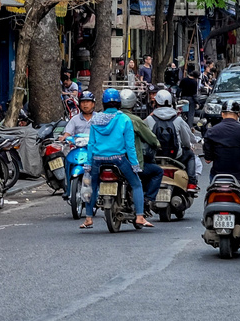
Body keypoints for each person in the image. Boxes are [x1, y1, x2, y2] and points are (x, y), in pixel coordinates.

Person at [80, 88, 152, 229]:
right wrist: (135, 164)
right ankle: (139, 216)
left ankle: (88, 218)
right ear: (119, 103)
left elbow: (91, 144)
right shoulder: (124, 119)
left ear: (103, 103)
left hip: (97, 160)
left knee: (91, 186)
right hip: (118, 160)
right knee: (136, 183)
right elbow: (129, 146)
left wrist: (89, 163)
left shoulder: (95, 119)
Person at [203, 101, 240, 202]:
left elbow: (208, 159)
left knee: (209, 197)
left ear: (222, 114)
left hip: (217, 177)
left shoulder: (211, 131)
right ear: (239, 114)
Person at [145, 88, 199, 188]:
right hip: (176, 156)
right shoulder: (178, 119)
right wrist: (188, 146)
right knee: (190, 155)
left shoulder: (149, 119)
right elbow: (186, 142)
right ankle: (192, 183)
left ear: (156, 102)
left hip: (155, 156)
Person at [62, 91, 99, 200]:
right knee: (67, 160)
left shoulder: (99, 118)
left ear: (93, 104)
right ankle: (68, 188)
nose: (85, 104)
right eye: (83, 102)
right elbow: (67, 133)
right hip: (79, 149)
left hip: (95, 150)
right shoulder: (75, 119)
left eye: (88, 102)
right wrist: (65, 138)